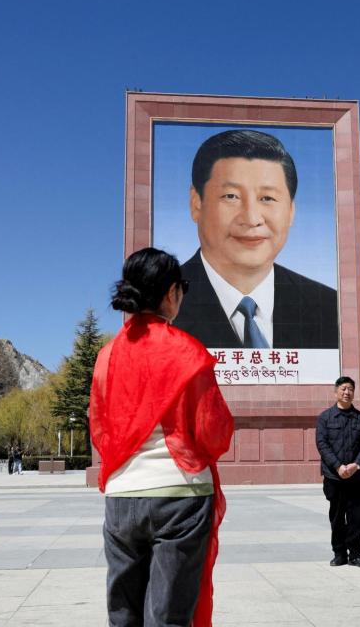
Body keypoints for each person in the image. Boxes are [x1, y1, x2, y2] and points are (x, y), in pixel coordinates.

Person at [90, 247, 234, 626]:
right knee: (168, 615)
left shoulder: (107, 355)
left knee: (124, 612)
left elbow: (99, 428)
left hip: (122, 496)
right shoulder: (187, 352)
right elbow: (213, 432)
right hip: (179, 496)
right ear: (171, 292)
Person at [173, 129, 338, 349]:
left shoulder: (328, 307)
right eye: (231, 196)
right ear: (196, 203)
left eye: (267, 198)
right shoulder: (159, 303)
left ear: (291, 211)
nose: (251, 219)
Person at [315, 376, 360, 568]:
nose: (347, 392)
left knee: (356, 518)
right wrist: (339, 466)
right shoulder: (325, 418)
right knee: (337, 517)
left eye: (350, 389)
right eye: (343, 389)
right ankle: (339, 553)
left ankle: (355, 554)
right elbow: (322, 445)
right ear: (336, 392)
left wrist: (356, 465)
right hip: (334, 477)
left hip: (357, 477)